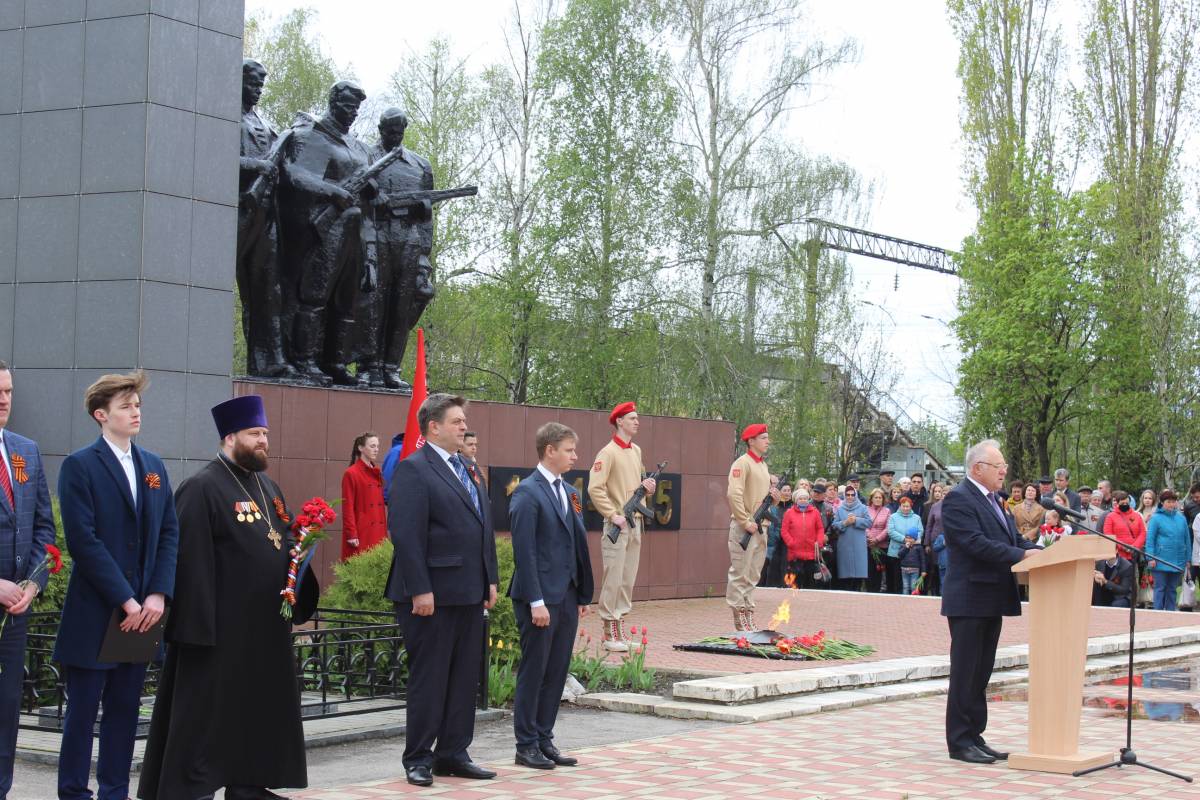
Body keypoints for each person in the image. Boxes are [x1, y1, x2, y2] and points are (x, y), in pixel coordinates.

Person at [138, 395, 315, 800]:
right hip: (219, 628)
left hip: (264, 626)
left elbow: (281, 538)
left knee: (255, 710)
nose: (263, 441)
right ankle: (191, 789)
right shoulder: (201, 487)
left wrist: (300, 552)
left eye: (266, 433)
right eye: (255, 434)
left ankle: (247, 785)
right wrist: (197, 626)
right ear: (230, 436)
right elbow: (188, 559)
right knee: (206, 717)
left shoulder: (267, 486)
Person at [56, 373, 179, 800]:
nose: (136, 412)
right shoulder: (80, 466)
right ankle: (73, 792)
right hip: (97, 610)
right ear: (101, 414)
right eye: (126, 405)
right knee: (83, 711)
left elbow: (168, 532)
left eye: (137, 404)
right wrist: (125, 599)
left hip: (144, 612)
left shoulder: (154, 467)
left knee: (125, 711)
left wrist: (157, 594)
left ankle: (114, 792)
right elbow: (82, 541)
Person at [384, 394, 499, 787]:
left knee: (463, 678)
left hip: (468, 591)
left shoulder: (467, 466)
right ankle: (418, 757)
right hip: (430, 594)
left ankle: (452, 752)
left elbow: (483, 527)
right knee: (430, 679)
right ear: (433, 426)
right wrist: (420, 589)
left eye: (464, 421)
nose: (464, 427)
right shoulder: (415, 469)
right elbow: (406, 534)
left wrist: (490, 579)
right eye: (457, 421)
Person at [941, 439, 1039, 764]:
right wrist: (1020, 553)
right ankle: (958, 742)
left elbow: (1011, 539)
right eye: (999, 466)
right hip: (970, 598)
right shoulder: (958, 499)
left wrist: (1039, 550)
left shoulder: (996, 500)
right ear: (977, 468)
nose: (1004, 471)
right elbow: (974, 544)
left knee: (981, 674)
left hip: (991, 598)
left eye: (1004, 466)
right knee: (966, 672)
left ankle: (975, 736)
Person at [507, 423, 594, 770]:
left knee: (557, 671)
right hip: (539, 598)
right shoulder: (527, 492)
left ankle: (544, 738)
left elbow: (575, 543)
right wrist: (536, 600)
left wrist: (581, 593)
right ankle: (525, 744)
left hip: (567, 595)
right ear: (549, 451)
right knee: (535, 670)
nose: (575, 456)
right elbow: (524, 551)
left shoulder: (569, 491)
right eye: (569, 449)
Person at [278, 80, 374, 385]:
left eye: (356, 108)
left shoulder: (357, 147)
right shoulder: (313, 137)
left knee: (347, 298)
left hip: (355, 227)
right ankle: (305, 360)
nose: (352, 113)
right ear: (333, 102)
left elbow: (370, 200)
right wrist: (332, 192)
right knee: (315, 294)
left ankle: (335, 360)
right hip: (324, 229)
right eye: (347, 105)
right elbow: (294, 175)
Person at [0, 362, 56, 800]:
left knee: (6, 710)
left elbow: (43, 530)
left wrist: (33, 585)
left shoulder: (25, 451)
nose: (4, 399)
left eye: (8, 391)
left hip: (16, 611)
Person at [355, 108, 435, 389]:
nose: (395, 135)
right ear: (380, 129)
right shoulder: (366, 156)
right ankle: (367, 366)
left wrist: (424, 255)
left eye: (400, 130)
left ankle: (391, 367)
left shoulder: (419, 165)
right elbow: (358, 201)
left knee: (401, 305)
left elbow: (426, 220)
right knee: (372, 303)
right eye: (390, 130)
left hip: (408, 238)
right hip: (377, 235)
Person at [236, 59, 296, 380]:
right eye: (252, 83)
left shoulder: (261, 120)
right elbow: (216, 156)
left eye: (261, 85)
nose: (257, 90)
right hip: (238, 210)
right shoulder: (222, 115)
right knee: (249, 290)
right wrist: (258, 167)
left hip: (267, 213)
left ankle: (271, 358)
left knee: (268, 288)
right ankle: (256, 360)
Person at [587, 402, 655, 650]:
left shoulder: (635, 450)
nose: (637, 422)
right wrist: (613, 514)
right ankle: (609, 633)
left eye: (637, 418)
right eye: (632, 418)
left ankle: (620, 630)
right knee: (613, 578)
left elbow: (633, 484)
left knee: (627, 579)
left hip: (635, 523)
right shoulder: (608, 452)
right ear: (619, 422)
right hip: (618, 524)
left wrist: (646, 487)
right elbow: (595, 488)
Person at [725, 424, 777, 630]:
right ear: (751, 441)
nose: (767, 441)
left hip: (761, 526)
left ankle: (748, 613)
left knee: (753, 574)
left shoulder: (762, 466)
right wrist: (745, 520)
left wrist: (774, 499)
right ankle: (739, 618)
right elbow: (734, 494)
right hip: (745, 527)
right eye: (763, 438)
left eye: (767, 437)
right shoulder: (742, 463)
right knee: (740, 572)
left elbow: (760, 498)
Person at [340, 431, 386, 560]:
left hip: (378, 533)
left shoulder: (376, 473)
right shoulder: (351, 473)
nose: (376, 450)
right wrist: (352, 534)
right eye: (372, 446)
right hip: (362, 533)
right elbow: (347, 507)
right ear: (361, 448)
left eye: (377, 446)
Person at [1145, 489, 1189, 611]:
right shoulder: (1156, 518)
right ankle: (1157, 614)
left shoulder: (1181, 518)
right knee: (1160, 588)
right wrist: (1150, 557)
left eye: (1173, 502)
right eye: (1168, 501)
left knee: (1172, 589)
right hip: (1160, 560)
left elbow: (1187, 540)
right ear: (1162, 503)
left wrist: (1188, 559)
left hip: (1177, 559)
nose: (1171, 504)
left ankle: (1171, 614)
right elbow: (1150, 540)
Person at [780, 488, 826, 589]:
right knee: (795, 583)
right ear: (796, 500)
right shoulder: (789, 513)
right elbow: (784, 530)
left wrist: (819, 542)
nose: (803, 500)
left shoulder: (815, 512)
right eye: (801, 498)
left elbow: (820, 528)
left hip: (812, 554)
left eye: (805, 498)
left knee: (810, 584)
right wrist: (791, 543)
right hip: (795, 554)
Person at [831, 486, 869, 591]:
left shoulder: (863, 508)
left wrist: (856, 520)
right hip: (844, 544)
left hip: (859, 545)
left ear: (856, 495)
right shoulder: (840, 509)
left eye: (852, 494)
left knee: (858, 575)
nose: (850, 497)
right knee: (845, 575)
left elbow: (869, 522)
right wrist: (845, 523)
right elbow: (834, 525)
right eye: (848, 495)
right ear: (844, 495)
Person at [887, 496, 924, 594]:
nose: (906, 508)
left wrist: (912, 540)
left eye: (908, 506)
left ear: (911, 506)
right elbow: (890, 531)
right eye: (903, 506)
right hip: (895, 552)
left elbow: (920, 531)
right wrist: (904, 539)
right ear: (900, 506)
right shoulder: (893, 517)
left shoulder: (917, 518)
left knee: (909, 582)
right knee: (897, 578)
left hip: (912, 554)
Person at [760, 482, 792, 588]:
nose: (787, 493)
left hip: (778, 544)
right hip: (765, 542)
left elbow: (778, 525)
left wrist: (778, 537)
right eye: (784, 490)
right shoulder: (770, 505)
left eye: (789, 490)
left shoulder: (784, 507)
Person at [1103, 490, 1147, 560]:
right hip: (1117, 554)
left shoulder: (1137, 516)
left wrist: (1135, 546)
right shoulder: (1110, 516)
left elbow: (1142, 533)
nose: (1125, 505)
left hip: (1133, 553)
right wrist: (1123, 546)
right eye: (1122, 503)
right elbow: (1108, 534)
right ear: (1117, 503)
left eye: (1127, 503)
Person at [864, 488, 891, 593]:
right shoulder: (865, 509)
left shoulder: (887, 511)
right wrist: (870, 538)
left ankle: (877, 591)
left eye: (880, 497)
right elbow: (864, 525)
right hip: (868, 545)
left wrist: (877, 539)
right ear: (871, 498)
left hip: (881, 546)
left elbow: (888, 528)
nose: (878, 499)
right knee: (869, 569)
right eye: (876, 497)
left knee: (879, 569)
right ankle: (868, 590)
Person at [923, 484, 948, 597]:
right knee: (934, 568)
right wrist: (927, 543)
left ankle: (944, 593)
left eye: (948, 493)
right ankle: (934, 592)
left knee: (945, 568)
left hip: (949, 542)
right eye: (944, 493)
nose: (945, 495)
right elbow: (929, 526)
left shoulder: (956, 506)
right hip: (935, 542)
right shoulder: (935, 506)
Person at [380, 431, 405, 503]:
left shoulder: (398, 450)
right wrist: (386, 495)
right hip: (400, 500)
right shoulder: (398, 451)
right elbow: (388, 473)